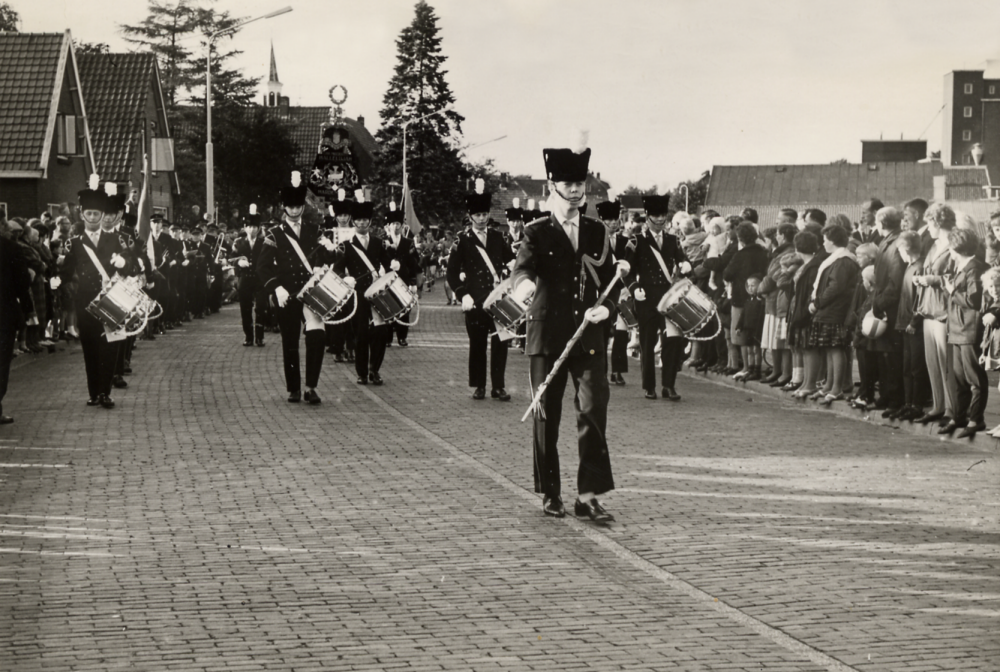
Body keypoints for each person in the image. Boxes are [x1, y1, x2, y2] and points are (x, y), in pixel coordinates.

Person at [511, 137, 620, 522]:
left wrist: (605, 310)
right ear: (552, 187)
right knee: (546, 416)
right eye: (568, 185)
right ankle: (551, 492)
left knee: (593, 412)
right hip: (547, 333)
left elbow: (611, 282)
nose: (575, 192)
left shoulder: (596, 231)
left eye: (580, 185)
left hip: (587, 335)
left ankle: (588, 495)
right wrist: (524, 288)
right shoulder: (536, 231)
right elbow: (523, 268)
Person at [257, 171, 336, 404]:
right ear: (284, 208)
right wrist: (275, 288)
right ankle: (293, 388)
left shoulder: (314, 231)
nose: (293, 211)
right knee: (290, 343)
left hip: (311, 293)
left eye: (297, 206)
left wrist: (332, 249)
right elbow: (262, 267)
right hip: (287, 295)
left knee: (317, 337)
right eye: (289, 207)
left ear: (302, 206)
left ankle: (311, 387)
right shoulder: (274, 234)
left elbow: (330, 258)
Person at [59, 176, 135, 409]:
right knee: (90, 350)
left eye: (96, 214)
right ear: (82, 214)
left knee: (110, 349)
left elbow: (131, 268)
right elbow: (65, 274)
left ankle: (105, 393)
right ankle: (94, 393)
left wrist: (123, 264)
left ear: (103, 215)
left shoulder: (117, 240)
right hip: (86, 304)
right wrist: (60, 284)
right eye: (88, 214)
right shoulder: (74, 243)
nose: (92, 219)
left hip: (111, 302)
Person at [446, 180, 515, 400]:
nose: (482, 218)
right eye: (478, 215)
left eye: (485, 214)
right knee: (477, 345)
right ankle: (479, 386)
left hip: (498, 299)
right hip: (475, 300)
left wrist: (515, 267)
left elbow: (510, 259)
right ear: (470, 216)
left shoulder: (497, 237)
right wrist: (461, 294)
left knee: (500, 343)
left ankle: (498, 386)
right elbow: (451, 272)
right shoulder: (462, 240)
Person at [625, 194, 692, 399]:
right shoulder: (636, 241)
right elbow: (627, 271)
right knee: (647, 341)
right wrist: (634, 287)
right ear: (648, 217)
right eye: (656, 215)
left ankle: (668, 385)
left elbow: (681, 259)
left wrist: (685, 264)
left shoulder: (672, 239)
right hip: (645, 297)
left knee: (672, 341)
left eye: (663, 215)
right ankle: (649, 386)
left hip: (667, 297)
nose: (661, 219)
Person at [333, 192, 393, 386]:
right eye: (358, 220)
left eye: (364, 220)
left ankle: (374, 369)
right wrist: (345, 278)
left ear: (370, 222)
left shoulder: (378, 243)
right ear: (353, 221)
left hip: (377, 293)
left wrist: (395, 264)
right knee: (361, 334)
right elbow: (338, 269)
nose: (361, 223)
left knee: (381, 333)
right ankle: (361, 372)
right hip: (357, 295)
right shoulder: (345, 246)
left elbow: (388, 264)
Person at [941, 228, 990, 438]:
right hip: (958, 329)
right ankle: (959, 417)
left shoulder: (974, 268)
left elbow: (973, 301)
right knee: (959, 378)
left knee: (974, 378)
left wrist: (952, 290)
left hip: (969, 329)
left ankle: (975, 419)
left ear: (956, 248)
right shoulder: (964, 266)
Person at [807, 224, 860, 405]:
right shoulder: (837, 259)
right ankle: (829, 385)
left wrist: (818, 303)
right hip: (830, 311)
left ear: (832, 241)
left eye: (825, 240)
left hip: (835, 311)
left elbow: (836, 287)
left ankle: (837, 387)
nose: (823, 243)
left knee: (836, 348)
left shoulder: (843, 260)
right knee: (830, 348)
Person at [870, 206, 906, 416]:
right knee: (884, 356)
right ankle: (886, 396)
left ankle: (894, 399)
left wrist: (879, 303)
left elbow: (895, 281)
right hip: (885, 305)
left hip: (891, 309)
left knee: (892, 357)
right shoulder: (887, 242)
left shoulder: (895, 243)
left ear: (882, 223)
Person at [723, 221, 770, 381]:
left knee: (742, 336)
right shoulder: (763, 252)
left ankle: (746, 367)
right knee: (755, 337)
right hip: (759, 298)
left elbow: (727, 274)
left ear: (740, 238)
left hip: (740, 298)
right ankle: (755, 367)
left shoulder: (740, 255)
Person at [0, 219, 34, 424]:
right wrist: (29, 308)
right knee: (1, 363)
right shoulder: (11, 248)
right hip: (4, 314)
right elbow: (22, 281)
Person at [596, 198, 630, 385]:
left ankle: (617, 371)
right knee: (602, 333)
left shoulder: (626, 242)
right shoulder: (595, 242)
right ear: (602, 221)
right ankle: (602, 371)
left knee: (621, 334)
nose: (614, 223)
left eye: (616, 219)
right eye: (609, 220)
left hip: (623, 291)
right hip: (604, 293)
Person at [229, 204, 268, 347]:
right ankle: (249, 336)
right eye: (250, 227)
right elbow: (231, 259)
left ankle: (260, 337)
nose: (252, 230)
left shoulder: (264, 242)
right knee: (245, 309)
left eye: (255, 227)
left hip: (260, 280)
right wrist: (239, 263)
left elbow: (268, 261)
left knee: (261, 308)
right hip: (245, 280)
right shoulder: (238, 243)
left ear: (259, 229)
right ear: (245, 228)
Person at [383, 203, 420, 348]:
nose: (396, 227)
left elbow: (413, 263)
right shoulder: (382, 241)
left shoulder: (408, 243)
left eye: (398, 223)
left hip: (404, 279)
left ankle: (402, 337)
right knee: (388, 308)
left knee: (404, 309)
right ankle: (387, 338)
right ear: (388, 226)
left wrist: (413, 282)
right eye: (393, 224)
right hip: (387, 280)